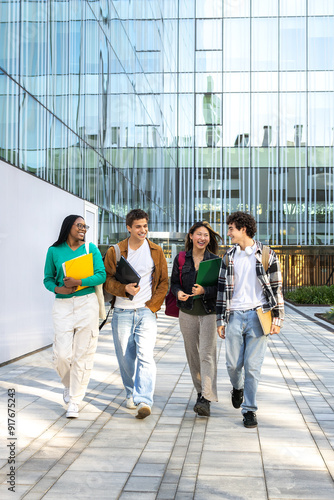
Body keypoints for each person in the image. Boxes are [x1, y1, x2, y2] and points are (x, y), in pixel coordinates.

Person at [216, 211, 284, 428]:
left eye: (231, 229)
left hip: (258, 316)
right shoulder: (229, 257)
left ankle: (250, 410)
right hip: (234, 316)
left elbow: (276, 288)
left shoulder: (266, 254)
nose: (228, 233)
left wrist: (278, 318)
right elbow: (221, 291)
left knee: (253, 367)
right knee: (233, 365)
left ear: (243, 229)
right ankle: (237, 387)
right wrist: (220, 320)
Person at [104, 209, 168, 419]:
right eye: (138, 226)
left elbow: (163, 283)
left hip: (145, 312)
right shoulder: (116, 251)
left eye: (145, 226)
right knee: (125, 358)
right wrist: (125, 290)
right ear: (129, 227)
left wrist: (152, 307)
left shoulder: (156, 251)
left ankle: (144, 400)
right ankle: (131, 393)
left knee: (146, 356)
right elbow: (107, 281)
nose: (143, 230)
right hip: (122, 311)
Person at [43, 215, 106, 418]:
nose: (83, 229)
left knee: (82, 354)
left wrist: (78, 281)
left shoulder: (91, 249)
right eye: (79, 225)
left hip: (87, 303)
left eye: (85, 226)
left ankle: (75, 401)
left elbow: (101, 274)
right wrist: (58, 289)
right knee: (62, 355)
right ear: (68, 226)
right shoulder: (54, 251)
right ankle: (70, 386)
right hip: (62, 305)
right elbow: (47, 279)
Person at [171, 221, 222, 417]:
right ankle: (201, 392)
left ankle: (206, 398)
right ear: (191, 236)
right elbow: (174, 283)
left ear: (209, 239)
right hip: (187, 313)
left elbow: (221, 288)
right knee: (193, 355)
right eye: (199, 234)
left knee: (207, 355)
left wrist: (204, 291)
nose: (202, 238)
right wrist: (178, 293)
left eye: (206, 235)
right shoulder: (181, 258)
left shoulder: (215, 260)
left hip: (209, 313)